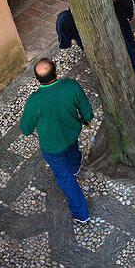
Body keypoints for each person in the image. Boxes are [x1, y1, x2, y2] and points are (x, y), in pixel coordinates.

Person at [18, 59, 93, 224]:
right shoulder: (71, 86)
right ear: (56, 72)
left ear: (37, 78)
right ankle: (75, 165)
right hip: (71, 132)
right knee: (72, 148)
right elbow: (85, 108)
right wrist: (87, 119)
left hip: (52, 146)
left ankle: (81, 213)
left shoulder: (34, 101)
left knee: (64, 178)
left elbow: (25, 129)